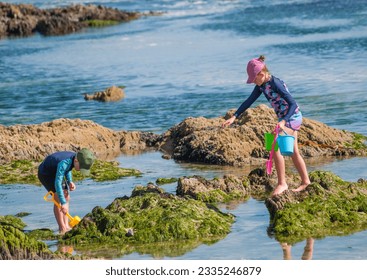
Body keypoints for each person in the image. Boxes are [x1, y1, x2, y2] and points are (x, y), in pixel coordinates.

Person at [222, 55, 310, 196]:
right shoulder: (262, 85)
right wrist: (234, 116)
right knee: (293, 152)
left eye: (254, 79)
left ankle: (282, 183)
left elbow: (293, 104)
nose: (254, 82)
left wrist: (283, 121)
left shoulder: (275, 83)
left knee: (274, 146)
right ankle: (306, 182)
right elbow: (249, 101)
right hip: (286, 118)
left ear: (261, 74)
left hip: (292, 117)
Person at [38, 148, 95, 234]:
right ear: (76, 160)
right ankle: (62, 227)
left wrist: (70, 181)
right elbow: (58, 182)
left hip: (56, 172)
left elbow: (68, 169)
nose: (80, 170)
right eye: (81, 168)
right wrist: (63, 203)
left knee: (66, 195)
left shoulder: (74, 159)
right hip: (46, 174)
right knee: (58, 198)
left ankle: (67, 225)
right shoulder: (65, 162)